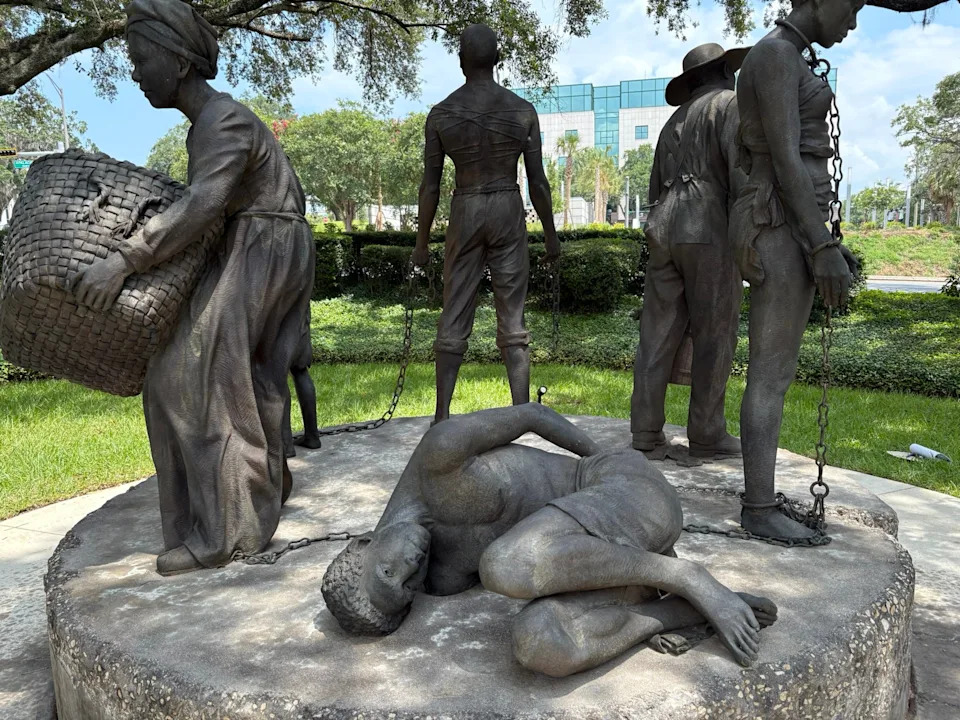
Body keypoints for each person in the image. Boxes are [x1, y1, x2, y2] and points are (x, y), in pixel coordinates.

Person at [71, 0, 315, 575]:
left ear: (179, 62)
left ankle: (225, 533)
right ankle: (260, 491)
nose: (135, 72)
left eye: (141, 59)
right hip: (272, 243)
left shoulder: (221, 120)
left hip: (262, 246)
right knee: (254, 378)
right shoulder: (215, 121)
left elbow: (203, 204)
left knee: (191, 378)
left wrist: (124, 260)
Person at [322, 404, 777, 677]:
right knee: (540, 644)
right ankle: (671, 612)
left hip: (622, 489)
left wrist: (607, 463)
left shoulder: (438, 456)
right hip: (598, 550)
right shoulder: (438, 577)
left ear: (362, 545)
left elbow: (532, 415)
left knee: (504, 565)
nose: (409, 570)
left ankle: (683, 576)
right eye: (405, 590)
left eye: (389, 571)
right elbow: (553, 564)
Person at [732, 0, 862, 540]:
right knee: (770, 372)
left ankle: (762, 500)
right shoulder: (775, 56)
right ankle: (759, 508)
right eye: (850, 7)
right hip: (778, 220)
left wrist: (823, 239)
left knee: (777, 372)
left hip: (793, 222)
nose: (852, 23)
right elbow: (786, 158)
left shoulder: (788, 56)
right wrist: (820, 244)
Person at [412, 24, 560, 424]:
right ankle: (522, 412)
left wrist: (421, 244)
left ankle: (441, 416)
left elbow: (430, 187)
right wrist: (550, 236)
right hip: (507, 206)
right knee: (512, 315)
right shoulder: (522, 111)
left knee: (454, 308)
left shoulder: (441, 114)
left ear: (461, 61)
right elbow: (538, 182)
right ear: (498, 59)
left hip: (466, 208)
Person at [631, 43, 748, 459]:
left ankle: (645, 432)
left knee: (655, 335)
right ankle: (707, 432)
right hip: (707, 227)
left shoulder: (672, 123)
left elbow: (654, 186)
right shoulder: (729, 105)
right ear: (723, 72)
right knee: (715, 332)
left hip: (663, 228)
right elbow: (742, 176)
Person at [282, 320, 322, 458]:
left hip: (277, 318)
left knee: (276, 375)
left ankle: (285, 445)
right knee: (300, 370)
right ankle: (312, 435)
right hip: (300, 317)